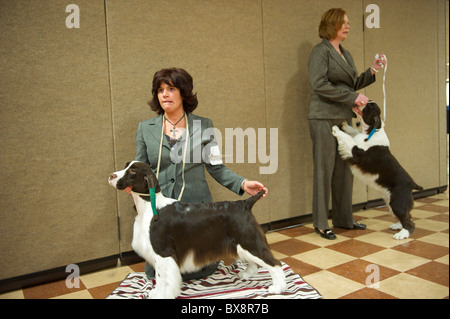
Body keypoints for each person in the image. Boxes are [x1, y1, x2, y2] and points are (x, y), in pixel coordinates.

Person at [134, 67, 267, 279]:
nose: (165, 94)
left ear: (184, 92)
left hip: (195, 212)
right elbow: (140, 169)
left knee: (198, 272)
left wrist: (242, 183)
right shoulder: (145, 128)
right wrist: (132, 186)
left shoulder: (204, 126)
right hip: (161, 213)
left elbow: (216, 167)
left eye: (171, 88)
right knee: (157, 273)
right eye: (160, 90)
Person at [307, 8, 385, 239]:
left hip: (342, 118)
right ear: (331, 24)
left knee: (344, 171)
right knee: (324, 170)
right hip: (322, 117)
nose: (347, 26)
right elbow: (319, 84)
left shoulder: (346, 53)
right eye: (343, 22)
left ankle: (343, 219)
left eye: (349, 23)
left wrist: (372, 70)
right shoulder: (320, 52)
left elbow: (351, 85)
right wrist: (352, 98)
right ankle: (321, 223)